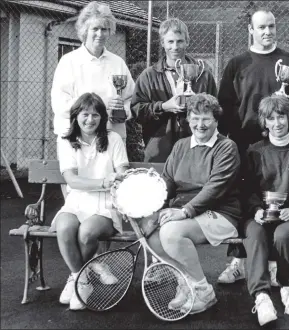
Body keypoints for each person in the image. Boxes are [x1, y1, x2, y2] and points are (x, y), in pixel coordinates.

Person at [217, 7, 289, 284]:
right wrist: (229, 143)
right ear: (251, 30)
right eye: (261, 27)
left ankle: (272, 264)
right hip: (245, 144)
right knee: (244, 202)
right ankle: (237, 262)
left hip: (279, 144)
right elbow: (224, 104)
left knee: (274, 200)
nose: (267, 32)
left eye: (271, 26)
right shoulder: (237, 63)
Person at [141, 93, 242, 314]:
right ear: (188, 119)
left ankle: (204, 292)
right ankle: (186, 285)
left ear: (216, 120)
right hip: (184, 212)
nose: (200, 124)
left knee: (171, 233)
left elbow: (214, 189)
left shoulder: (227, 147)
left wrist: (185, 212)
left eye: (206, 118)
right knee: (153, 235)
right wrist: (153, 210)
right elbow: (167, 181)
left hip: (221, 213)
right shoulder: (180, 146)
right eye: (195, 118)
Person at [241, 94, 289, 326]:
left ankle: (288, 287)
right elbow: (246, 188)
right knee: (254, 233)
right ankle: (262, 296)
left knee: (283, 234)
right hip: (260, 215)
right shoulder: (254, 152)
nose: (277, 123)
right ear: (264, 122)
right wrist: (256, 208)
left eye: (282, 117)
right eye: (271, 118)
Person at [49, 92, 129, 310]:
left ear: (102, 117)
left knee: (86, 232)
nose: (90, 120)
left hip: (105, 203)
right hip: (77, 200)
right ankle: (80, 280)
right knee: (64, 227)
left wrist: (118, 177)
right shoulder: (66, 141)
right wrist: (103, 181)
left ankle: (75, 280)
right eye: (85, 114)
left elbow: (123, 171)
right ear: (76, 116)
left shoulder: (113, 139)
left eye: (96, 115)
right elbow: (72, 180)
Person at [131, 18, 217, 162]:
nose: (175, 47)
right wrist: (164, 106)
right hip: (159, 150)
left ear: (187, 42)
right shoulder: (149, 76)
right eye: (170, 42)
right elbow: (136, 111)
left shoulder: (203, 74)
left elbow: (216, 110)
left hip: (197, 147)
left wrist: (197, 106)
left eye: (180, 41)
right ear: (162, 43)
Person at [51, 1, 135, 144]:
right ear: (85, 30)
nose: (100, 34)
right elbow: (59, 105)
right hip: (76, 137)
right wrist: (92, 113)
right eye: (95, 28)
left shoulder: (118, 63)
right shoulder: (68, 61)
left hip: (111, 137)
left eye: (104, 29)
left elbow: (131, 99)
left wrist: (122, 112)